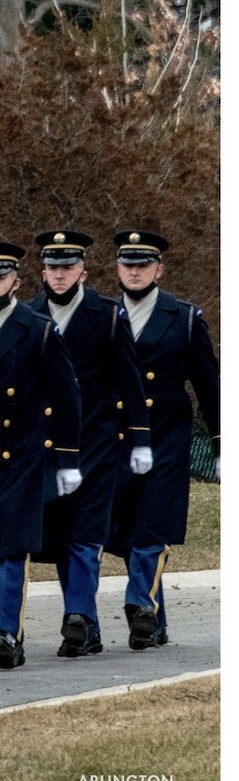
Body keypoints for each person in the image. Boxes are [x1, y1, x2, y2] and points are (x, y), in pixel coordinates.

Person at [27, 230, 150, 658]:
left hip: (96, 441)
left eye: (67, 267)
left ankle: (77, 616)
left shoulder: (108, 315)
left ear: (83, 270)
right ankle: (87, 626)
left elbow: (131, 380)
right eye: (52, 268)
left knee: (85, 531)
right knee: (61, 534)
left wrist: (140, 439)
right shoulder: (29, 315)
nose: (59, 276)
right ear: (42, 271)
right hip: (45, 443)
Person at [0, 241, 82, 670]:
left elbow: (67, 398)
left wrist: (67, 460)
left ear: (16, 281)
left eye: (0, 277)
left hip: (24, 451)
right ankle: (5, 626)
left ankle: (5, 631)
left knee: (14, 544)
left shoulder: (39, 328)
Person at [106, 229, 219, 650]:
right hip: (115, 439)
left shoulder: (184, 318)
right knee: (124, 529)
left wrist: (222, 444)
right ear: (117, 268)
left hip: (165, 438)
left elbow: (210, 386)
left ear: (159, 269)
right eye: (127, 265)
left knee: (152, 526)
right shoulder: (104, 316)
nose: (134, 272)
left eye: (143, 265)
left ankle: (139, 605)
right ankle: (154, 622)